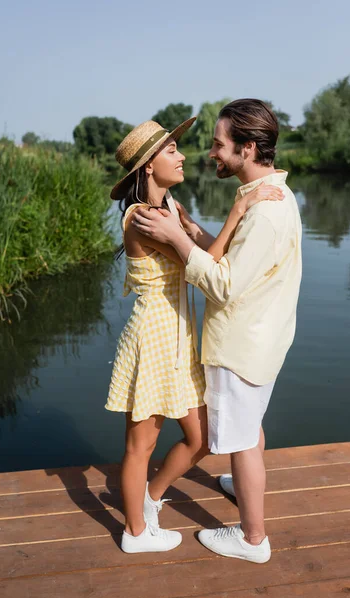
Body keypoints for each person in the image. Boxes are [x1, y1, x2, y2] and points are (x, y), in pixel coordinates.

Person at [133, 99, 302, 564]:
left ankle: (252, 540)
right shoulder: (273, 193)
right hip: (263, 338)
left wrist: (177, 239)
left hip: (241, 343)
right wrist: (193, 229)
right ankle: (239, 483)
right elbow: (234, 262)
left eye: (218, 145)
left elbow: (224, 284)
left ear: (247, 149)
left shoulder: (264, 210)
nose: (210, 154)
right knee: (249, 426)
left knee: (242, 439)